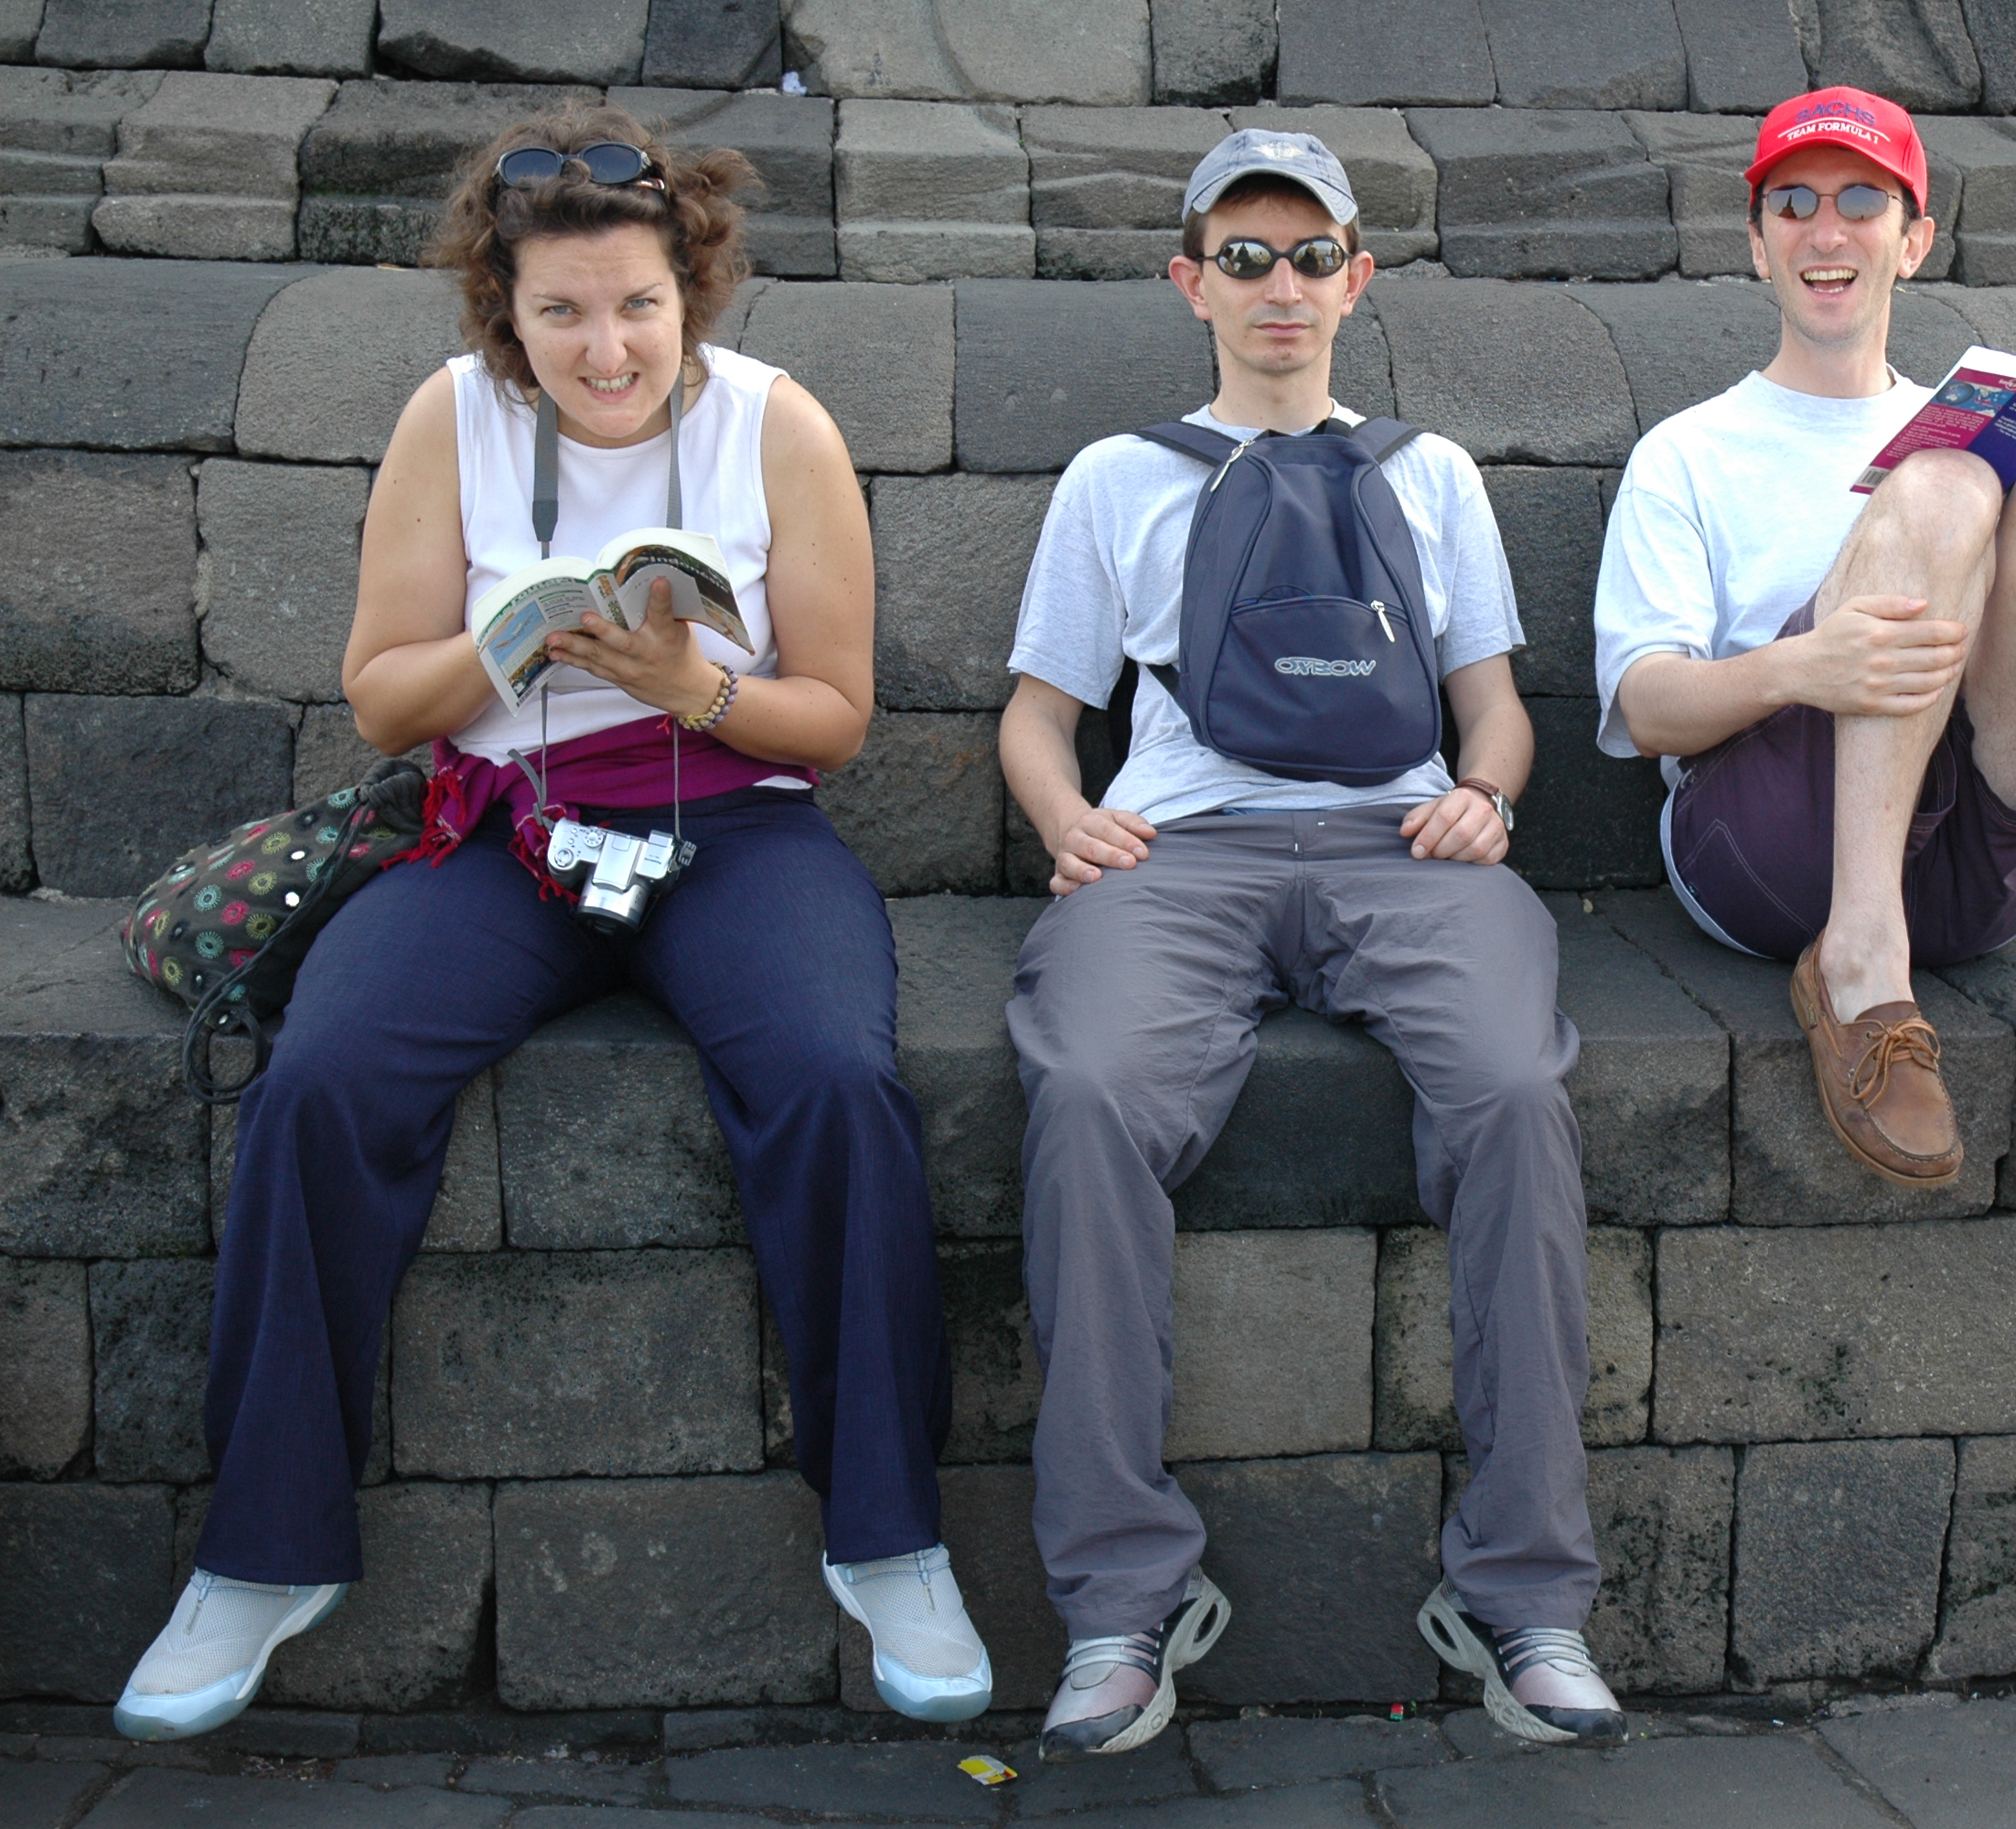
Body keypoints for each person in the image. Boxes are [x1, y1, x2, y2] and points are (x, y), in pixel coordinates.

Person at [112, 104, 989, 1740]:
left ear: (689, 290)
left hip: (732, 826)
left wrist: (687, 684)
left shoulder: (775, 426)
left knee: (832, 1079)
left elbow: (835, 718)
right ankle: (259, 1554)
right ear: (504, 312)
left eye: (638, 305)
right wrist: (509, 641)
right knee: (322, 1082)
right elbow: (384, 701)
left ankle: (890, 1536)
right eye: (562, 312)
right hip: (500, 827)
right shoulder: (450, 418)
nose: (607, 349)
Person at [998, 128, 1627, 1761]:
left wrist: (1489, 797)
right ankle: (1119, 1600)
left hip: (1401, 845)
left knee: (1513, 1094)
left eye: (1309, 256)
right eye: (1243, 256)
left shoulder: (1430, 475)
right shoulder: (1115, 477)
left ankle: (1525, 1596)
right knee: (1087, 1095)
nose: (1277, 285)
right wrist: (1065, 818)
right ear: (1190, 282)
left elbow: (1490, 708)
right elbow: (1040, 714)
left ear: (1356, 281)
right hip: (1179, 849)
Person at [1593, 86, 2016, 1193]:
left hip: (1968, 855)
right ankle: (1856, 960)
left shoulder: (1964, 422)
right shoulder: (1688, 453)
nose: (1826, 231)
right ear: (1756, 244)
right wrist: (1800, 666)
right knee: (1941, 483)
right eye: (1793, 204)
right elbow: (1644, 708)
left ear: (1911, 242)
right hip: (1775, 850)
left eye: (1861, 202)